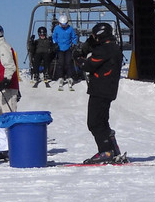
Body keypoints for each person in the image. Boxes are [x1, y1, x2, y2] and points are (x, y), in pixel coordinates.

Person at [77, 21, 126, 164]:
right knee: (102, 120)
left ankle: (105, 150)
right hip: (108, 89)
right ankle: (112, 148)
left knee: (94, 122)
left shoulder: (105, 49)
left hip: (100, 89)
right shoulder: (113, 48)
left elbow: (88, 65)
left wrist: (78, 57)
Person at [51, 14, 79, 89]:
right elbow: (54, 37)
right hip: (60, 48)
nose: (64, 26)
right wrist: (55, 43)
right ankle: (61, 76)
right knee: (61, 62)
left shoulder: (70, 29)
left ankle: (69, 76)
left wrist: (74, 44)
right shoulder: (57, 29)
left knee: (68, 62)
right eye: (62, 24)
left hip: (68, 48)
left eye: (65, 24)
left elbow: (74, 37)